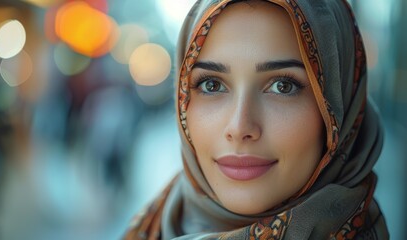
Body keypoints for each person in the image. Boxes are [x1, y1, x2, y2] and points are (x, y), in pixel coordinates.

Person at [124, 0, 389, 239]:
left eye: (283, 86)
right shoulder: (156, 225)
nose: (240, 128)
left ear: (340, 106)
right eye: (212, 85)